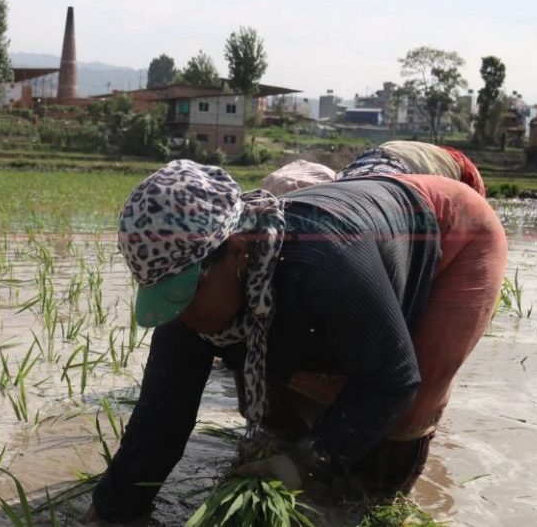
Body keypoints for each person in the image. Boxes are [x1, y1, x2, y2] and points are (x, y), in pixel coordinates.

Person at [88, 160, 506, 523]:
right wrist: (111, 511)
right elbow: (161, 418)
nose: (179, 314)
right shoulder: (189, 292)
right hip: (348, 255)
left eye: (187, 292)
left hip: (453, 233)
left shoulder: (324, 262)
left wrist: (307, 462)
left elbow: (392, 380)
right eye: (166, 297)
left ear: (237, 250)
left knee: (400, 420)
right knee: (285, 407)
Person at [338, 140, 486, 197]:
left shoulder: (438, 155)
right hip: (402, 168)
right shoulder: (468, 177)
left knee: (346, 190)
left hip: (371, 157)